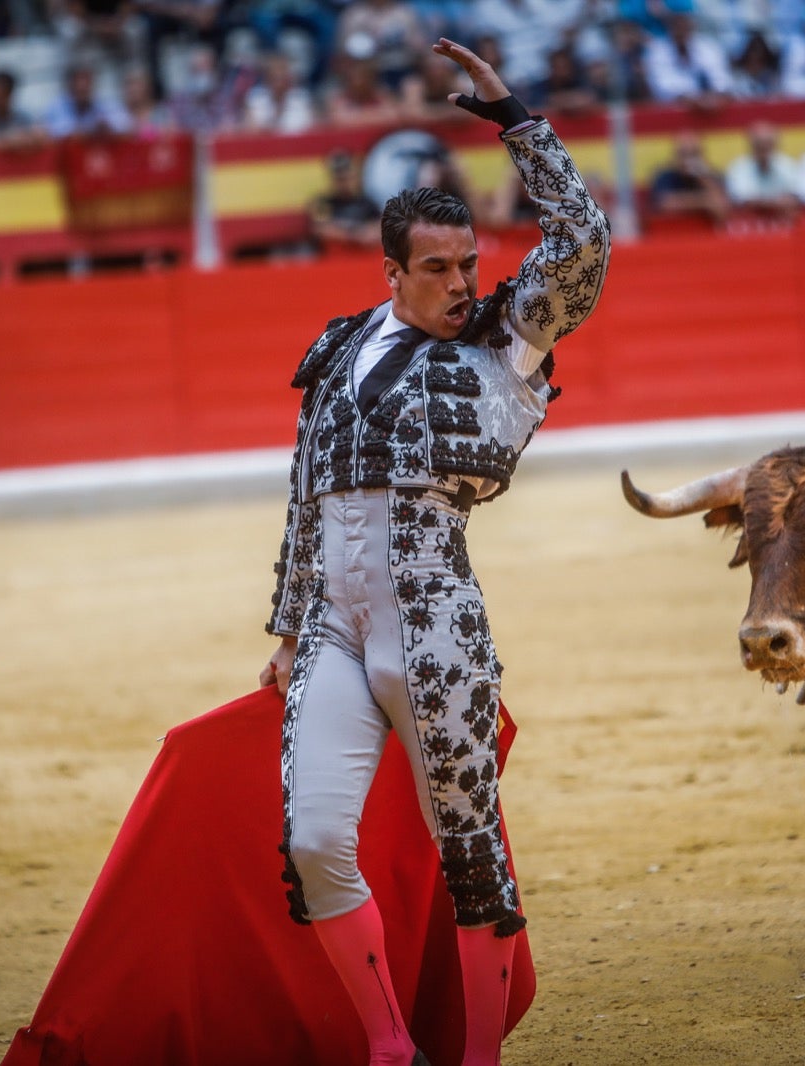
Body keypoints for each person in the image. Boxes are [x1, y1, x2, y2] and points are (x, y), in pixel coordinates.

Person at [261, 36, 609, 1066]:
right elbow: (304, 498)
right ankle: (387, 1047)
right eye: (439, 269)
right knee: (315, 842)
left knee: (470, 856)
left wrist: (518, 123)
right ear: (393, 270)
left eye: (470, 265)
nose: (463, 284)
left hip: (435, 616)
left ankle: (478, 1060)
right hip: (332, 624)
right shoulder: (336, 346)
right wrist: (285, 628)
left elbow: (581, 242)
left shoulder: (508, 340)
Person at [642, 11, 734, 106]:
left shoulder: (708, 47)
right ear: (669, 30)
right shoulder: (657, 51)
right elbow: (661, 87)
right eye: (678, 28)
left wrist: (714, 96)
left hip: (712, 105)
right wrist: (694, 100)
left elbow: (722, 80)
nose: (682, 32)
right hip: (672, 109)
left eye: (685, 28)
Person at [648, 128, 730, 226]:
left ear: (703, 155)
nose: (689, 160)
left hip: (708, 234)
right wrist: (705, 201)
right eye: (684, 154)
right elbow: (665, 204)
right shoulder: (664, 176)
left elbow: (722, 208)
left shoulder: (712, 175)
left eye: (694, 154)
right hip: (675, 233)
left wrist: (703, 178)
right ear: (675, 155)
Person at [307, 149, 382, 251]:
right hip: (334, 258)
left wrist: (366, 233)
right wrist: (355, 234)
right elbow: (321, 229)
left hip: (361, 257)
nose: (344, 183)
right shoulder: (323, 202)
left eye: (347, 177)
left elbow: (380, 228)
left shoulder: (367, 202)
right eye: (339, 179)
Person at [724, 120, 800, 218]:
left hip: (783, 222)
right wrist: (776, 204)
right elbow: (744, 200)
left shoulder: (787, 164)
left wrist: (765, 203)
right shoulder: (738, 167)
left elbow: (794, 197)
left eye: (768, 143)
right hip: (747, 223)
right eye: (759, 144)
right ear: (751, 144)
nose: (764, 148)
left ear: (776, 144)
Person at [45, 62, 133, 137]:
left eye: (86, 81)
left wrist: (107, 127)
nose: (82, 86)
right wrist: (85, 131)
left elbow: (127, 126)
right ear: (70, 85)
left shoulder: (104, 105)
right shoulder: (56, 108)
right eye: (77, 82)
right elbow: (49, 132)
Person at [243, 50, 316, 132]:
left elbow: (312, 129)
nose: (278, 82)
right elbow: (251, 131)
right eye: (274, 77)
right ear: (267, 78)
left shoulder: (302, 99)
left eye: (282, 76)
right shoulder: (256, 98)